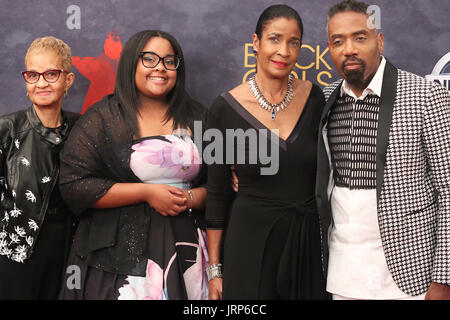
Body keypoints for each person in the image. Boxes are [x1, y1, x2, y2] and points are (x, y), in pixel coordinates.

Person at [58, 30, 209, 300]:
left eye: (169, 60)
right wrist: (147, 193)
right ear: (131, 63)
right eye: (149, 59)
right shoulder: (103, 117)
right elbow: (74, 185)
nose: (160, 68)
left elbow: (224, 184)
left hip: (187, 253)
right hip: (119, 259)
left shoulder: (200, 116)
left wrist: (191, 198)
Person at [316, 0, 450, 300]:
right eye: (338, 41)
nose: (349, 48)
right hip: (343, 275)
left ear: (379, 41)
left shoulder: (426, 96)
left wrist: (443, 278)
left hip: (410, 279)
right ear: (329, 48)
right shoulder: (327, 98)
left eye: (360, 37)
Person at [205, 4, 329, 300]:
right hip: (249, 244)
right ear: (256, 43)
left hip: (307, 242)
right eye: (275, 39)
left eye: (293, 42)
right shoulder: (223, 109)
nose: (284, 51)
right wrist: (215, 270)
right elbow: (217, 193)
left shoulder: (315, 98)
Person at [0, 36, 79, 299]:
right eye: (32, 75)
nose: (41, 82)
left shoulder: (84, 130)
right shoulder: (7, 130)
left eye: (51, 74)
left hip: (71, 252)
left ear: (68, 80)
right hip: (16, 255)